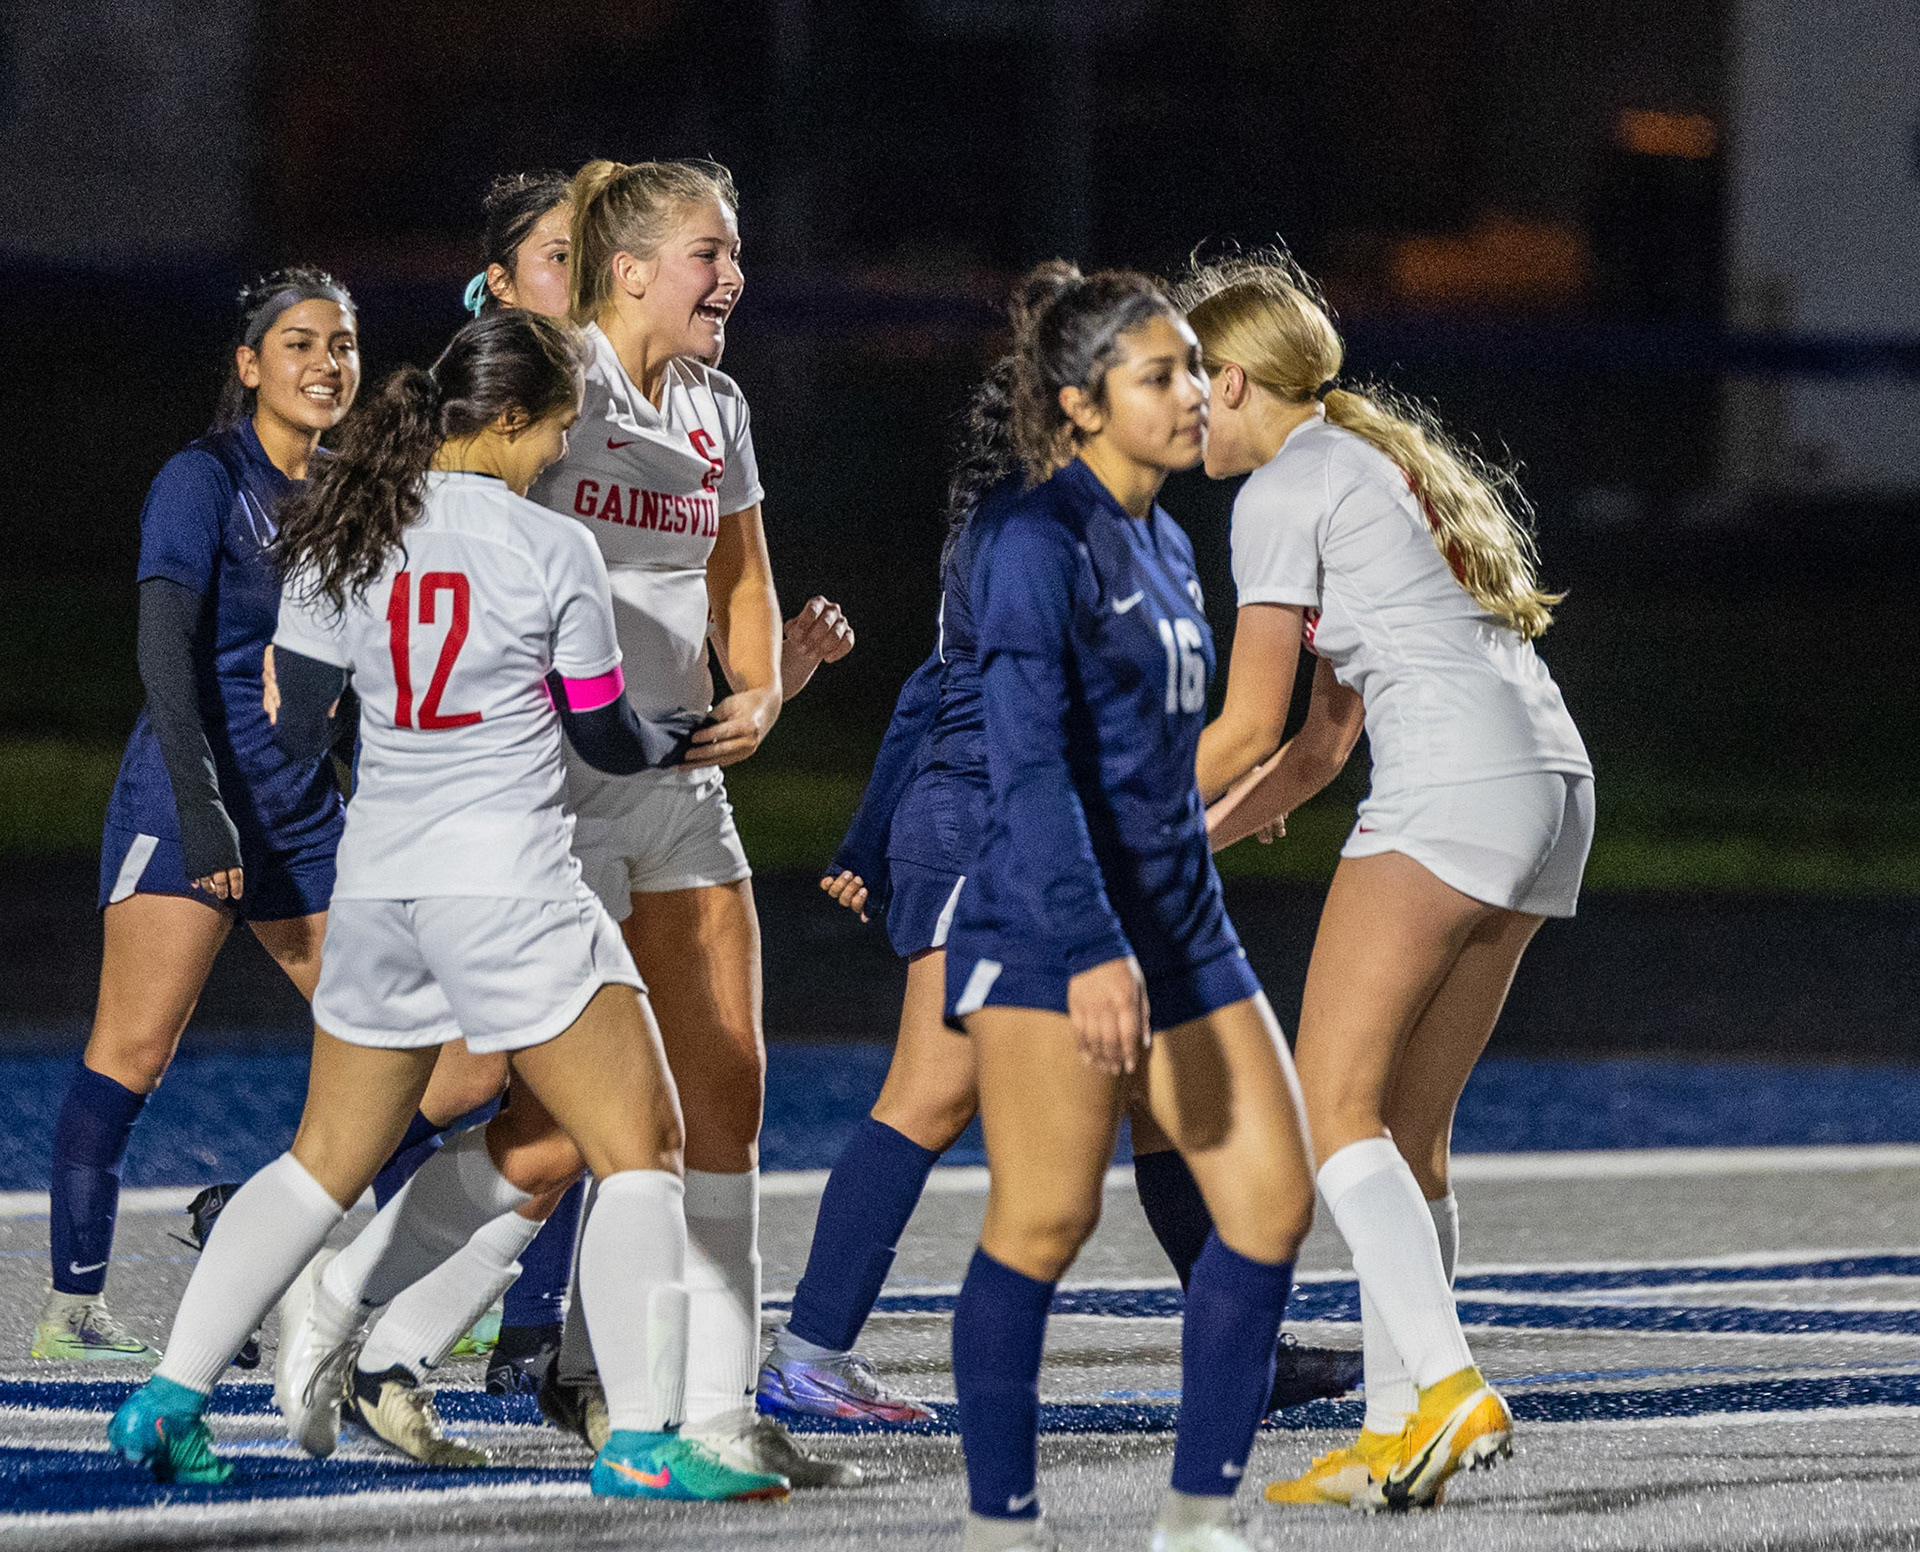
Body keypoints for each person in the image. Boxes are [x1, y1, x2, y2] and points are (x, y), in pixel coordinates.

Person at [107, 310, 792, 1504]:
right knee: (644, 1147)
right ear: (511, 420)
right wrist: (689, 734)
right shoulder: (551, 545)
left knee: (322, 1161)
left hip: (381, 882)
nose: (561, 449)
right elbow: (603, 737)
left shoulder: (344, 529)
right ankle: (641, 1437)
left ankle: (168, 1397)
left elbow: (294, 725)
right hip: (512, 883)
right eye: (557, 428)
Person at [762, 362, 1360, 1426]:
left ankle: (1244, 1353)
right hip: (994, 825)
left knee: (1161, 1095)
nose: (1181, 397)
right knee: (933, 1091)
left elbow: (980, 687)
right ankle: (807, 1353)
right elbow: (1013, 714)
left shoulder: (1111, 526)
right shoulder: (1033, 532)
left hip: (1055, 828)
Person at [351, 165, 853, 1407]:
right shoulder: (555, 385)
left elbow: (742, 577)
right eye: (708, 253)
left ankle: (709, 1407)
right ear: (627, 270)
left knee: (724, 1093)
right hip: (550, 791)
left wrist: (762, 693)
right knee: (557, 1130)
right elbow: (445, 534)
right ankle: (361, 1306)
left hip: (677, 785)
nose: (733, 276)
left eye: (733, 253)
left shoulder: (718, 405)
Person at [1180, 255, 1593, 1512]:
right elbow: (1317, 747)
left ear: (1232, 380)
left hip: (1454, 792)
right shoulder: (1368, 461)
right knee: (1407, 1132)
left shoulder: (1279, 489)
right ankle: (1394, 1431)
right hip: (1551, 786)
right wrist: (1187, 842)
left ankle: (1449, 1383)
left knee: (1333, 1115)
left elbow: (1244, 727)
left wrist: (1111, 824)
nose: (1178, 408)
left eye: (1187, 379)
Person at [942, 263, 1317, 1552]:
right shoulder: (1030, 539)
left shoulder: (1167, 538)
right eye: (1161, 375)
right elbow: (1028, 767)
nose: (1196, 393)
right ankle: (1001, 1527)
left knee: (1271, 1204)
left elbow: (1164, 760)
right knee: (1045, 1220)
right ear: (1081, 403)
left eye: (1193, 371)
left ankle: (1196, 1520)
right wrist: (1093, 945)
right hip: (1054, 927)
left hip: (1182, 918)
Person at [33, 270, 361, 1362]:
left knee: (422, 1056)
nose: (326, 363)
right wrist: (205, 813)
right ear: (249, 364)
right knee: (133, 1051)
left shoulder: (348, 493)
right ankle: (72, 1312)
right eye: (300, 343)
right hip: (190, 801)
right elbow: (164, 658)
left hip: (303, 811)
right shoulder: (202, 478)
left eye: (342, 345)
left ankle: (261, 1229)